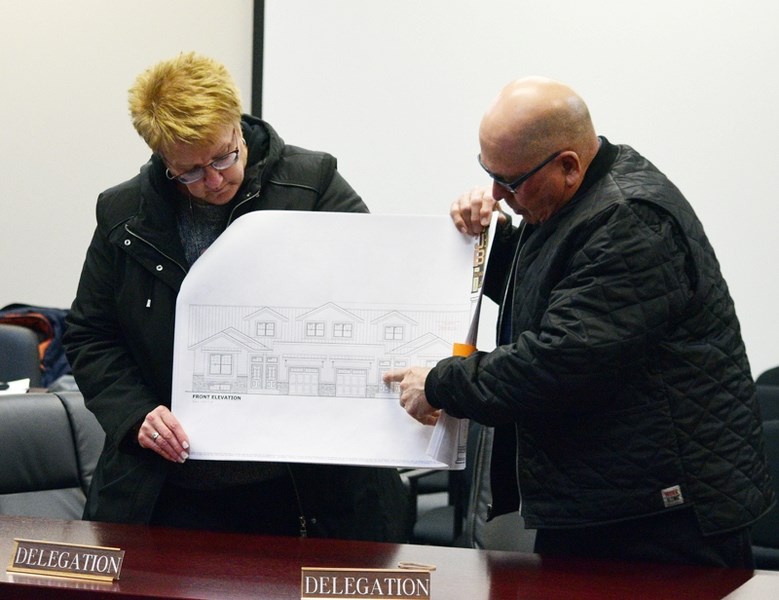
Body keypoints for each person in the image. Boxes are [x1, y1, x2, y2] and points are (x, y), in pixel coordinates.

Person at [384, 76, 775, 566]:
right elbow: (556, 290)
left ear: (568, 165)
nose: (497, 194)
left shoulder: (629, 220)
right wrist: (492, 243)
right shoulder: (576, 203)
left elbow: (559, 361)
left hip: (660, 521)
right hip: (614, 500)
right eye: (488, 173)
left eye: (510, 181)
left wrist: (441, 383)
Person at [64, 52, 408, 541]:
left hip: (303, 486)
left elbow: (378, 290)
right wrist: (134, 413)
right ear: (164, 158)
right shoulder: (123, 213)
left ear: (237, 125)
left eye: (224, 155)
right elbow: (91, 335)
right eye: (190, 171)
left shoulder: (312, 184)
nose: (214, 179)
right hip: (171, 488)